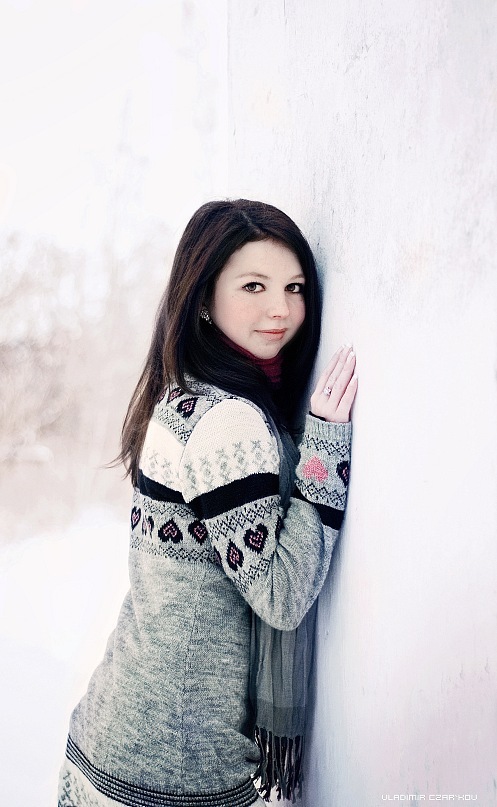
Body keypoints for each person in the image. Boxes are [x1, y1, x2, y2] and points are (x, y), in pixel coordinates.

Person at [57, 199, 357, 807]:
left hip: (111, 739)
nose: (281, 309)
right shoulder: (229, 422)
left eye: (295, 287)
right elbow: (281, 593)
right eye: (254, 286)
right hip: (168, 767)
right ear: (202, 297)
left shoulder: (184, 395)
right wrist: (325, 444)